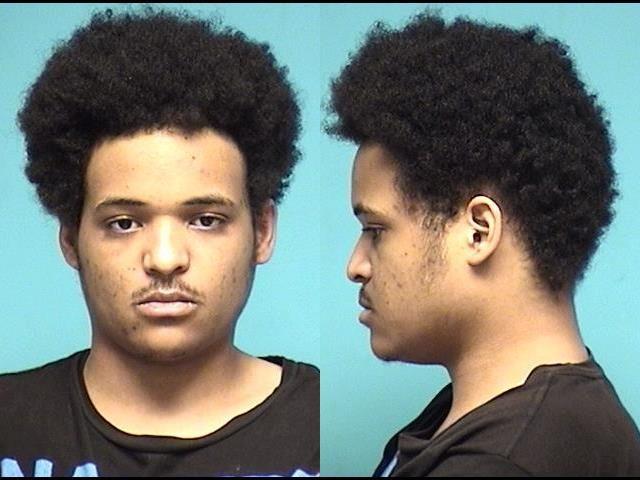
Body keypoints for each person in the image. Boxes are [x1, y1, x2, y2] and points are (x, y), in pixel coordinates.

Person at [0, 7, 318, 477]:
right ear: (70, 237)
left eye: (205, 220)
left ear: (262, 231)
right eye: (124, 223)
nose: (165, 258)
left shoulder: (318, 426)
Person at [327, 11, 640, 476]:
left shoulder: (506, 460)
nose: (356, 265)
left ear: (478, 231)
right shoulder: (512, 422)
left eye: (375, 230)